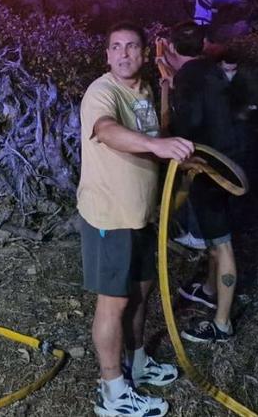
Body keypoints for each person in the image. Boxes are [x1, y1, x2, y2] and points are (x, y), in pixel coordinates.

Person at [79, 22, 193, 417]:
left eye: (132, 47)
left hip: (141, 215)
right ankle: (113, 392)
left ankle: (138, 362)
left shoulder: (143, 89)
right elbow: (108, 131)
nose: (124, 53)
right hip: (110, 213)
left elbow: (155, 129)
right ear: (107, 55)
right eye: (116, 47)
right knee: (113, 302)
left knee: (142, 293)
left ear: (144, 54)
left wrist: (168, 135)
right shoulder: (101, 92)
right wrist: (156, 145)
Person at [158, 22, 241, 343]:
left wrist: (168, 100)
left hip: (211, 169)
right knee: (214, 234)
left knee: (223, 243)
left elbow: (183, 127)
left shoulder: (189, 80)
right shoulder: (211, 71)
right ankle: (208, 289)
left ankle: (222, 323)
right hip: (228, 162)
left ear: (173, 49)